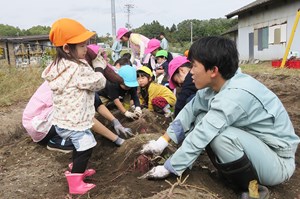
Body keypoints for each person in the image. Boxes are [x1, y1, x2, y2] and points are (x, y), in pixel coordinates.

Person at [140, 36, 300, 198]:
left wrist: (170, 167)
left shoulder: (235, 94)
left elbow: (204, 132)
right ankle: (232, 175)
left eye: (194, 66)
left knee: (219, 136)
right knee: (202, 116)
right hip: (259, 148)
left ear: (213, 70)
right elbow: (190, 111)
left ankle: (253, 190)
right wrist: (162, 142)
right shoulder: (218, 84)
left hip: (278, 162)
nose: (191, 72)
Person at [41, 18, 107, 195]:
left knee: (80, 145)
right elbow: (99, 82)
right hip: (75, 121)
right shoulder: (77, 68)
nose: (86, 49)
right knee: (87, 146)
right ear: (66, 48)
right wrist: (100, 67)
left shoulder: (58, 66)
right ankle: (76, 183)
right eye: (82, 46)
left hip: (62, 121)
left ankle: (76, 169)